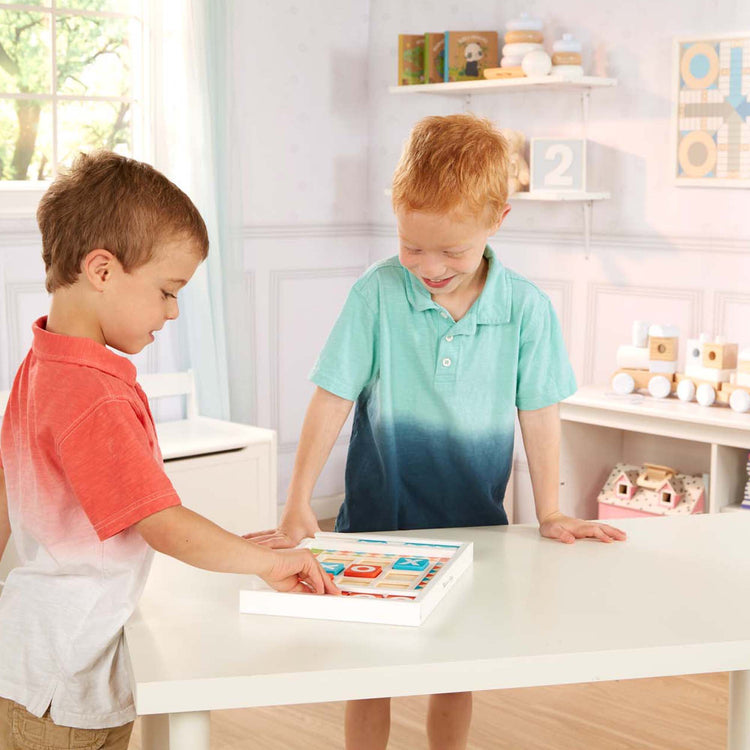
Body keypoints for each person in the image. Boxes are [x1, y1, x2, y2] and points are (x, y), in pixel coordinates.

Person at [251, 114, 625, 750]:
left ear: (497, 220)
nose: (428, 266)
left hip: (474, 528)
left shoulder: (526, 309)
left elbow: (538, 412)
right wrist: (294, 505)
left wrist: (553, 510)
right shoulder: (376, 294)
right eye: (411, 246)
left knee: (455, 674)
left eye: (451, 250)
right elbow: (332, 397)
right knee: (368, 673)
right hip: (375, 522)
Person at [0, 151, 338, 750]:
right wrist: (265, 563)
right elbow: (159, 522)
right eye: (167, 290)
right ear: (101, 270)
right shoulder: (93, 396)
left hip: (32, 651)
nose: (174, 310)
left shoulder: (42, 360)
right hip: (67, 677)